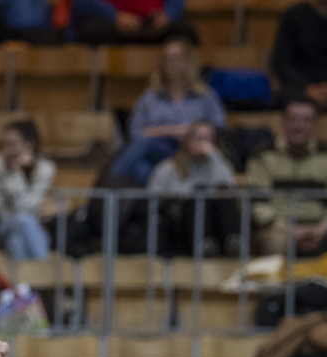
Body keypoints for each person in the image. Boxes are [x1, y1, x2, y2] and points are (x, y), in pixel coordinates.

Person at [248, 102, 327, 256]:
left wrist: (322, 228)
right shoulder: (263, 156)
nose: (298, 126)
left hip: (321, 228)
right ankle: (275, 281)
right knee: (276, 243)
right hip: (278, 228)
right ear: (283, 122)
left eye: (306, 121)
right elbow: (260, 207)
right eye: (293, 119)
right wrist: (291, 230)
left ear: (315, 125)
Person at [112, 40, 226, 185]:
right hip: (158, 151)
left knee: (143, 162)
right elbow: (136, 133)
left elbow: (219, 128)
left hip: (191, 152)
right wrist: (175, 130)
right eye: (167, 59)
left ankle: (111, 183)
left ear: (188, 61)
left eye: (176, 58)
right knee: (143, 166)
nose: (171, 63)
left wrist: (187, 134)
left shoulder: (205, 96)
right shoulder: (150, 97)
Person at [146, 121, 241, 257]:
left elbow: (228, 185)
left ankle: (233, 241)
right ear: (187, 140)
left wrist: (214, 156)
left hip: (214, 223)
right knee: (197, 197)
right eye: (199, 137)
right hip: (181, 223)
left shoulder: (215, 164)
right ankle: (202, 244)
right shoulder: (167, 169)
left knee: (224, 196)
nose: (203, 143)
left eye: (208, 138)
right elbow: (152, 199)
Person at [0, 121, 54, 261]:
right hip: (2, 226)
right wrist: (16, 174)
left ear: (29, 145)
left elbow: (31, 208)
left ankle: (25, 283)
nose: (6, 150)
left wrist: (17, 177)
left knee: (16, 241)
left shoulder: (45, 169)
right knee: (23, 221)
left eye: (12, 144)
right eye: (4, 144)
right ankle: (45, 272)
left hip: (31, 228)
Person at [73, 0, 199, 47]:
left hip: (156, 29)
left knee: (187, 33)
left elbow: (176, 3)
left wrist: (167, 16)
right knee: (91, 31)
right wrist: (115, 16)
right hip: (117, 30)